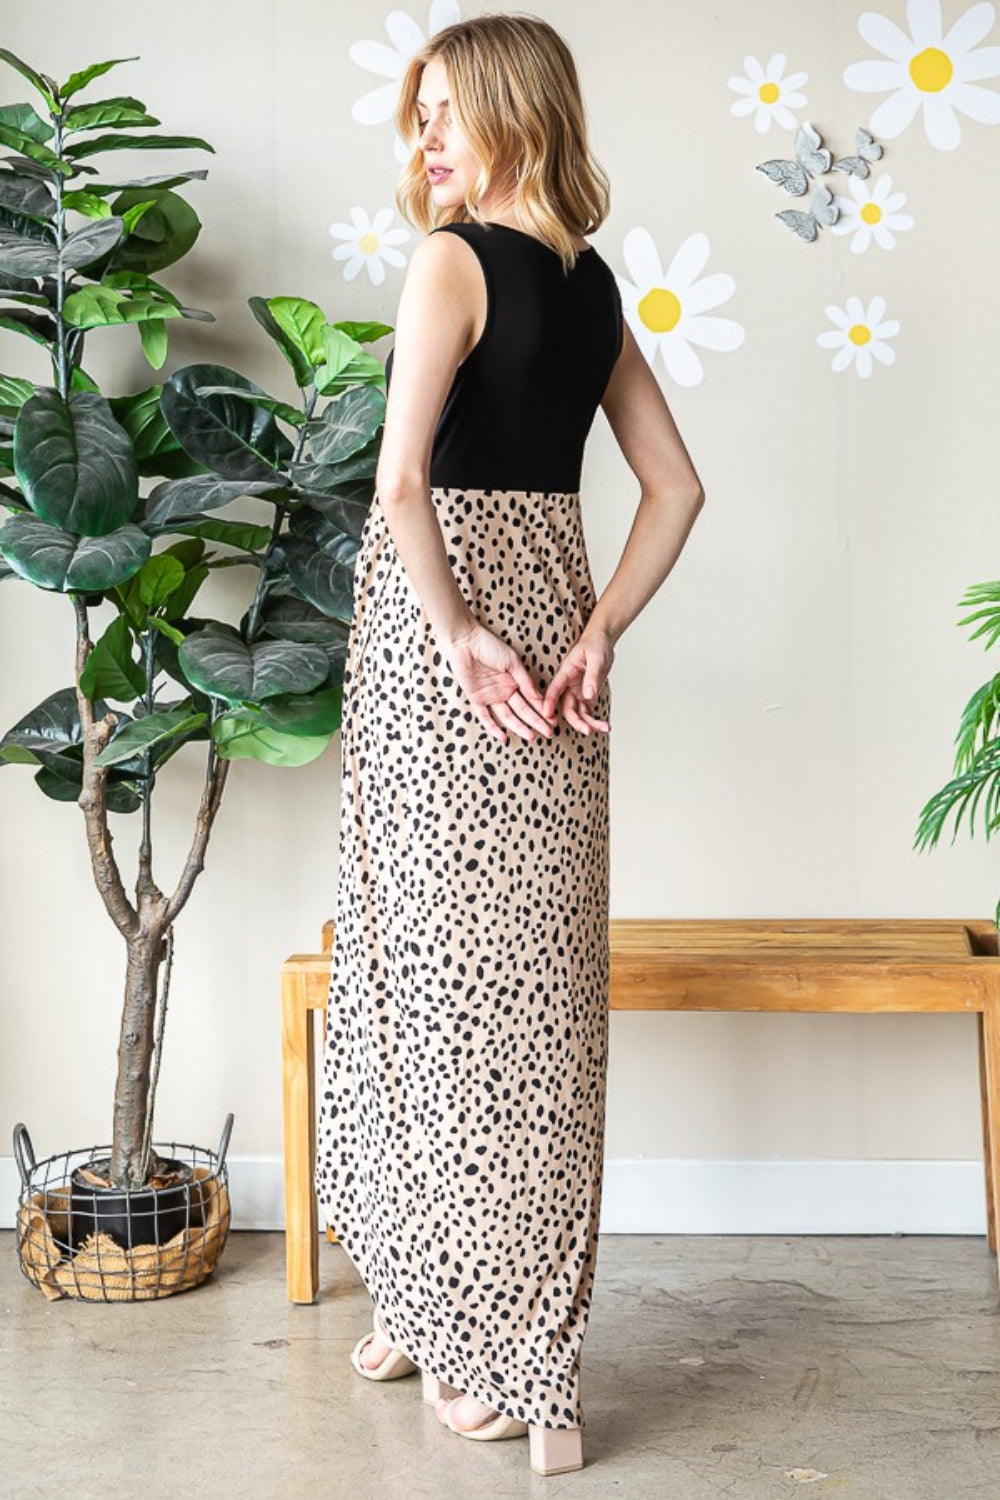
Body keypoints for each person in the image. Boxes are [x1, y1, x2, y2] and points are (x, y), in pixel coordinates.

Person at [314, 12, 704, 1478]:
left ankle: (474, 1331)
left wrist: (461, 631)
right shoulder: (594, 289)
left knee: (439, 982)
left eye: (442, 117)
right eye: (416, 120)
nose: (422, 147)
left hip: (448, 647)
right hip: (544, 642)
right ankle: (472, 1324)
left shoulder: (451, 263)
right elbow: (675, 492)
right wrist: (593, 629)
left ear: (514, 115)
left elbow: (404, 482)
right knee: (522, 1002)